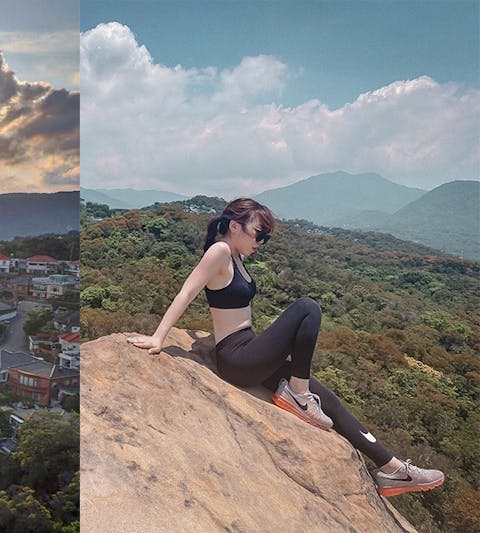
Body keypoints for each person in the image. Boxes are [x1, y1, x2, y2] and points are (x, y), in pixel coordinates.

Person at [127, 197, 444, 497]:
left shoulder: (237, 254)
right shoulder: (220, 252)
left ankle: (392, 469)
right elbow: (187, 292)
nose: (260, 242)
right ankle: (300, 396)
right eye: (258, 234)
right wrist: (158, 338)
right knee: (307, 307)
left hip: (250, 349)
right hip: (236, 358)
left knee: (328, 398)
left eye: (265, 238)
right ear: (235, 225)